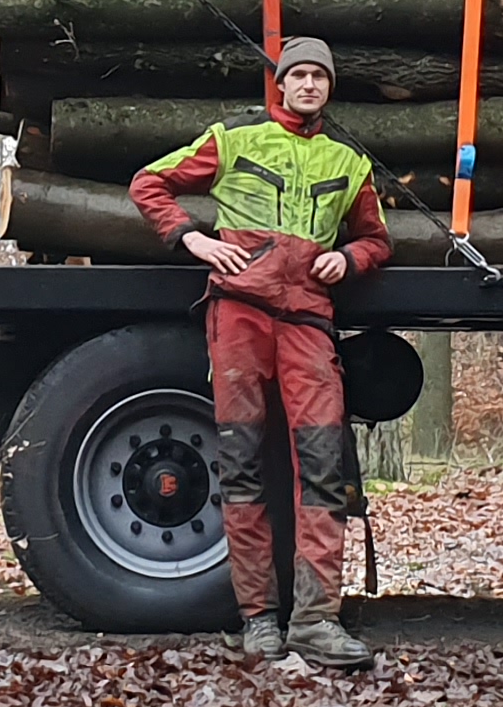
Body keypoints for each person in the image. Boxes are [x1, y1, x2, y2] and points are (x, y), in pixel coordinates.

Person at [126, 36, 392, 668]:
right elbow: (148, 182)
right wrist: (191, 238)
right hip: (239, 314)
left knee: (323, 465)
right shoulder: (236, 139)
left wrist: (348, 257)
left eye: (317, 77)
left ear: (329, 88)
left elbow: (377, 239)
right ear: (280, 85)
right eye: (297, 75)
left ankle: (317, 621)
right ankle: (258, 620)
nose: (307, 85)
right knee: (242, 463)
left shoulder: (349, 163)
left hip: (308, 319)